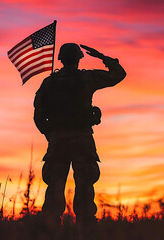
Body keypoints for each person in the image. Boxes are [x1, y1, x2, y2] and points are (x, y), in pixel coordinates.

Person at [33, 43, 126, 229]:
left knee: (55, 186)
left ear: (60, 58)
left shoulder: (49, 83)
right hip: (82, 140)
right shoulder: (86, 78)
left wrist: (51, 135)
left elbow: (38, 115)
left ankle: (51, 231)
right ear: (78, 58)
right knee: (84, 186)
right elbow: (119, 74)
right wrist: (103, 58)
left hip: (58, 141)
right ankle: (86, 230)